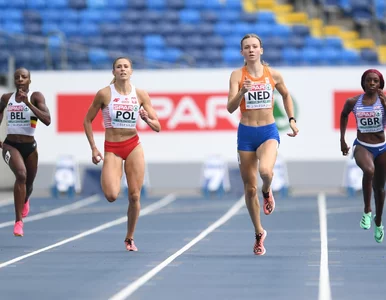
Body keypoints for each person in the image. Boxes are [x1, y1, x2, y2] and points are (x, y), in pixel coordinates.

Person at [227, 33, 299, 255]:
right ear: (242, 53)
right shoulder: (237, 75)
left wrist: (291, 120)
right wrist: (242, 91)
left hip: (268, 131)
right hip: (246, 134)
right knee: (249, 189)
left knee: (266, 172)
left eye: (254, 46)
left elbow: (286, 95)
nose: (251, 50)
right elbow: (230, 108)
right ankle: (259, 233)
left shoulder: (273, 74)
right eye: (246, 47)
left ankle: (267, 190)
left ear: (261, 50)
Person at [83, 57, 161, 251]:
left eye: (126, 67)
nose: (123, 69)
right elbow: (87, 121)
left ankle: (129, 237)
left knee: (135, 196)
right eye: (119, 67)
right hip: (112, 148)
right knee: (111, 195)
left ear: (131, 71)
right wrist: (93, 147)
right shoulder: (104, 94)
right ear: (114, 72)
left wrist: (146, 120)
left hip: (133, 145)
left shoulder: (141, 95)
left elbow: (158, 126)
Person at [0, 68, 51, 237]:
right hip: (10, 145)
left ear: (30, 80)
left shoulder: (36, 97)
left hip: (30, 147)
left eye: (24, 77)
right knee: (21, 175)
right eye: (17, 77)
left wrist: (27, 103)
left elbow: (47, 120)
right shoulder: (7, 98)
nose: (20, 79)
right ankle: (18, 221)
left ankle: (26, 199)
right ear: (14, 81)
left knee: (28, 185)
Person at [340, 69, 386, 243]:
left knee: (380, 189)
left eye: (375, 81)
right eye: (369, 81)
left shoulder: (383, 101)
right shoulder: (353, 101)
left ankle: (379, 222)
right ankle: (367, 210)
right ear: (364, 83)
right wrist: (342, 141)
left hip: (381, 147)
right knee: (369, 170)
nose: (372, 84)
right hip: (362, 146)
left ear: (380, 84)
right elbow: (343, 115)